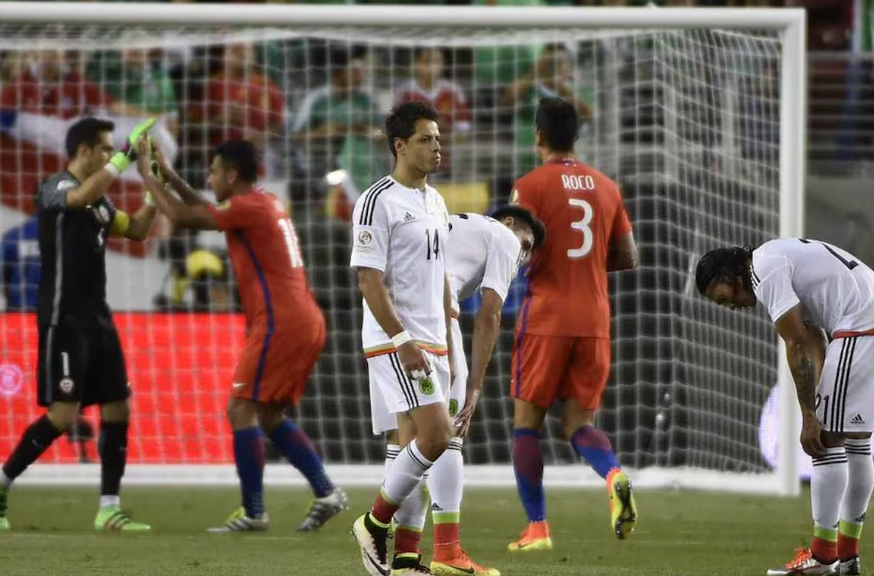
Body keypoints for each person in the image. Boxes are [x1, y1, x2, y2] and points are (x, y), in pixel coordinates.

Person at [138, 138, 347, 532]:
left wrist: (147, 176)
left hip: (281, 322)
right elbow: (203, 208)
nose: (209, 179)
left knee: (240, 409)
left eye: (213, 172)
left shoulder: (247, 207)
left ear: (232, 176)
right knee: (267, 414)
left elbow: (183, 215)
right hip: (302, 318)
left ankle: (254, 512)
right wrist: (170, 175)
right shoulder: (261, 202)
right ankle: (326, 492)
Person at [0, 116, 159, 532]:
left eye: (111, 149)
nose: (108, 155)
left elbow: (137, 230)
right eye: (105, 148)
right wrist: (125, 157)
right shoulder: (54, 187)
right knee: (63, 415)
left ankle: (109, 508)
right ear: (84, 150)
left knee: (118, 407)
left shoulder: (100, 203)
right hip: (63, 319)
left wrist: (154, 189)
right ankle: (2, 481)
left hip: (98, 319)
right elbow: (80, 195)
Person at [371, 206, 545, 576]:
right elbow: (490, 314)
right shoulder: (502, 236)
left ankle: (404, 557)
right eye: (526, 245)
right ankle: (439, 548)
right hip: (429, 318)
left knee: (403, 438)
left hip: (383, 315)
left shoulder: (455, 226)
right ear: (508, 223)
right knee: (447, 434)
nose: (523, 257)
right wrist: (475, 387)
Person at [696, 239, 874, 576]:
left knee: (825, 443)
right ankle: (848, 558)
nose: (730, 305)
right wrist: (820, 400)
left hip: (860, 326)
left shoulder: (763, 269)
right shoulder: (779, 256)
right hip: (866, 319)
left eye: (723, 297)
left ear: (730, 275)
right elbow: (813, 338)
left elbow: (796, 344)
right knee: (857, 443)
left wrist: (809, 417)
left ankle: (823, 557)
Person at [507, 97, 639, 551]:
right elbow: (628, 256)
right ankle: (613, 473)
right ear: (577, 136)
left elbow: (515, 248)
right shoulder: (607, 187)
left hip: (546, 315)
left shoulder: (529, 186)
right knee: (579, 422)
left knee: (527, 423)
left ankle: (537, 527)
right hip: (595, 316)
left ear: (538, 135)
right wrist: (586, 264)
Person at [350, 101, 454, 576]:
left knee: (412, 443)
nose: (437, 147)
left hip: (433, 340)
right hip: (396, 341)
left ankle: (408, 557)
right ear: (400, 146)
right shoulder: (377, 200)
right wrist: (402, 339)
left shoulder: (435, 200)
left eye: (438, 138)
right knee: (437, 435)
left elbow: (440, 269)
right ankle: (374, 523)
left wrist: (448, 322)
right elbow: (368, 279)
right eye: (425, 139)